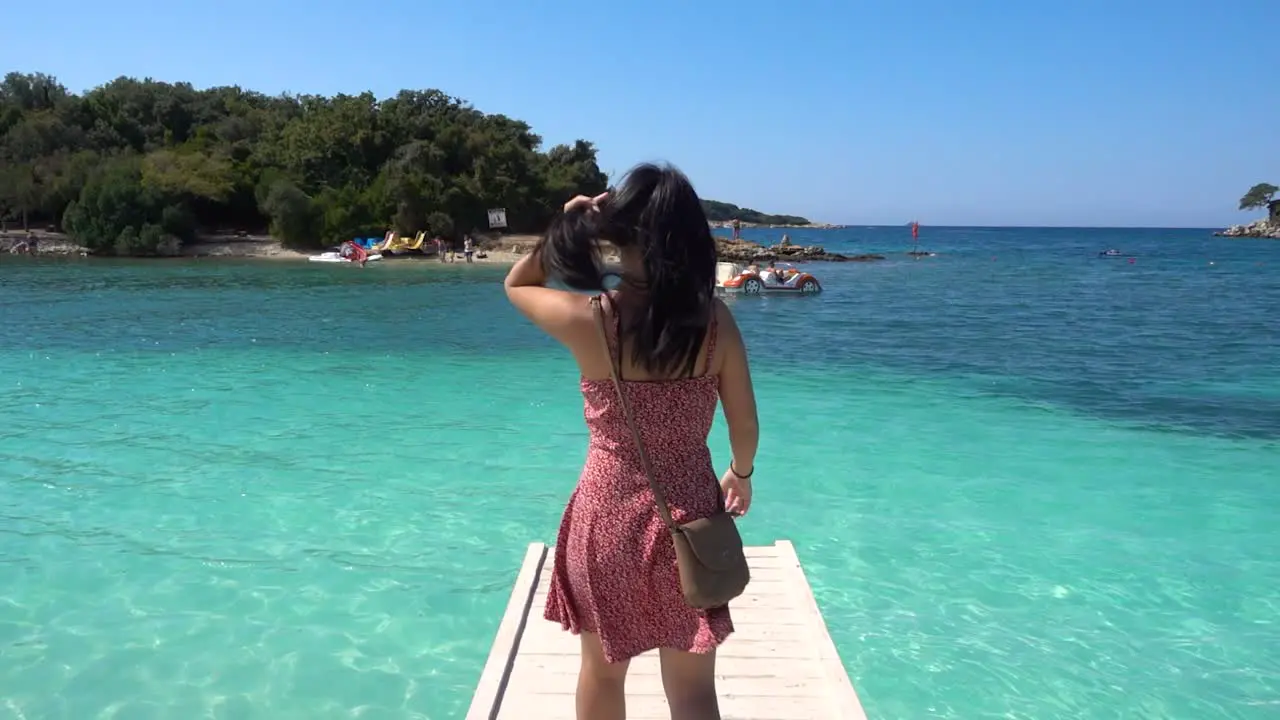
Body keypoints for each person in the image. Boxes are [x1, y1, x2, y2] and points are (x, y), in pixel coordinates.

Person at [504, 163, 759, 720]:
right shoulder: (716, 324)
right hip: (690, 520)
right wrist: (741, 473)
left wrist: (570, 225)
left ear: (618, 235)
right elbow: (745, 426)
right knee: (692, 690)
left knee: (602, 671)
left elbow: (517, 285)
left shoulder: (592, 320)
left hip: (608, 518)